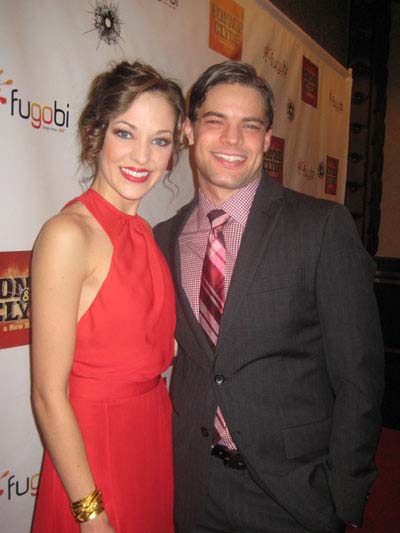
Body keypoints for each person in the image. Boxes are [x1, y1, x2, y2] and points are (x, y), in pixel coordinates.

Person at [154, 61, 384, 532]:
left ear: (267, 137)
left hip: (291, 496)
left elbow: (360, 376)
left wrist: (343, 497)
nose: (232, 140)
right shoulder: (164, 238)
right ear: (190, 130)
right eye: (216, 120)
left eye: (250, 125)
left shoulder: (321, 228)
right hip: (192, 486)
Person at [31, 60, 185, 532]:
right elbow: (46, 395)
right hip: (94, 458)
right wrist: (90, 515)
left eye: (160, 140)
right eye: (125, 132)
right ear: (96, 132)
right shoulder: (67, 234)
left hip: (151, 439)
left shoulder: (148, 235)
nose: (142, 156)